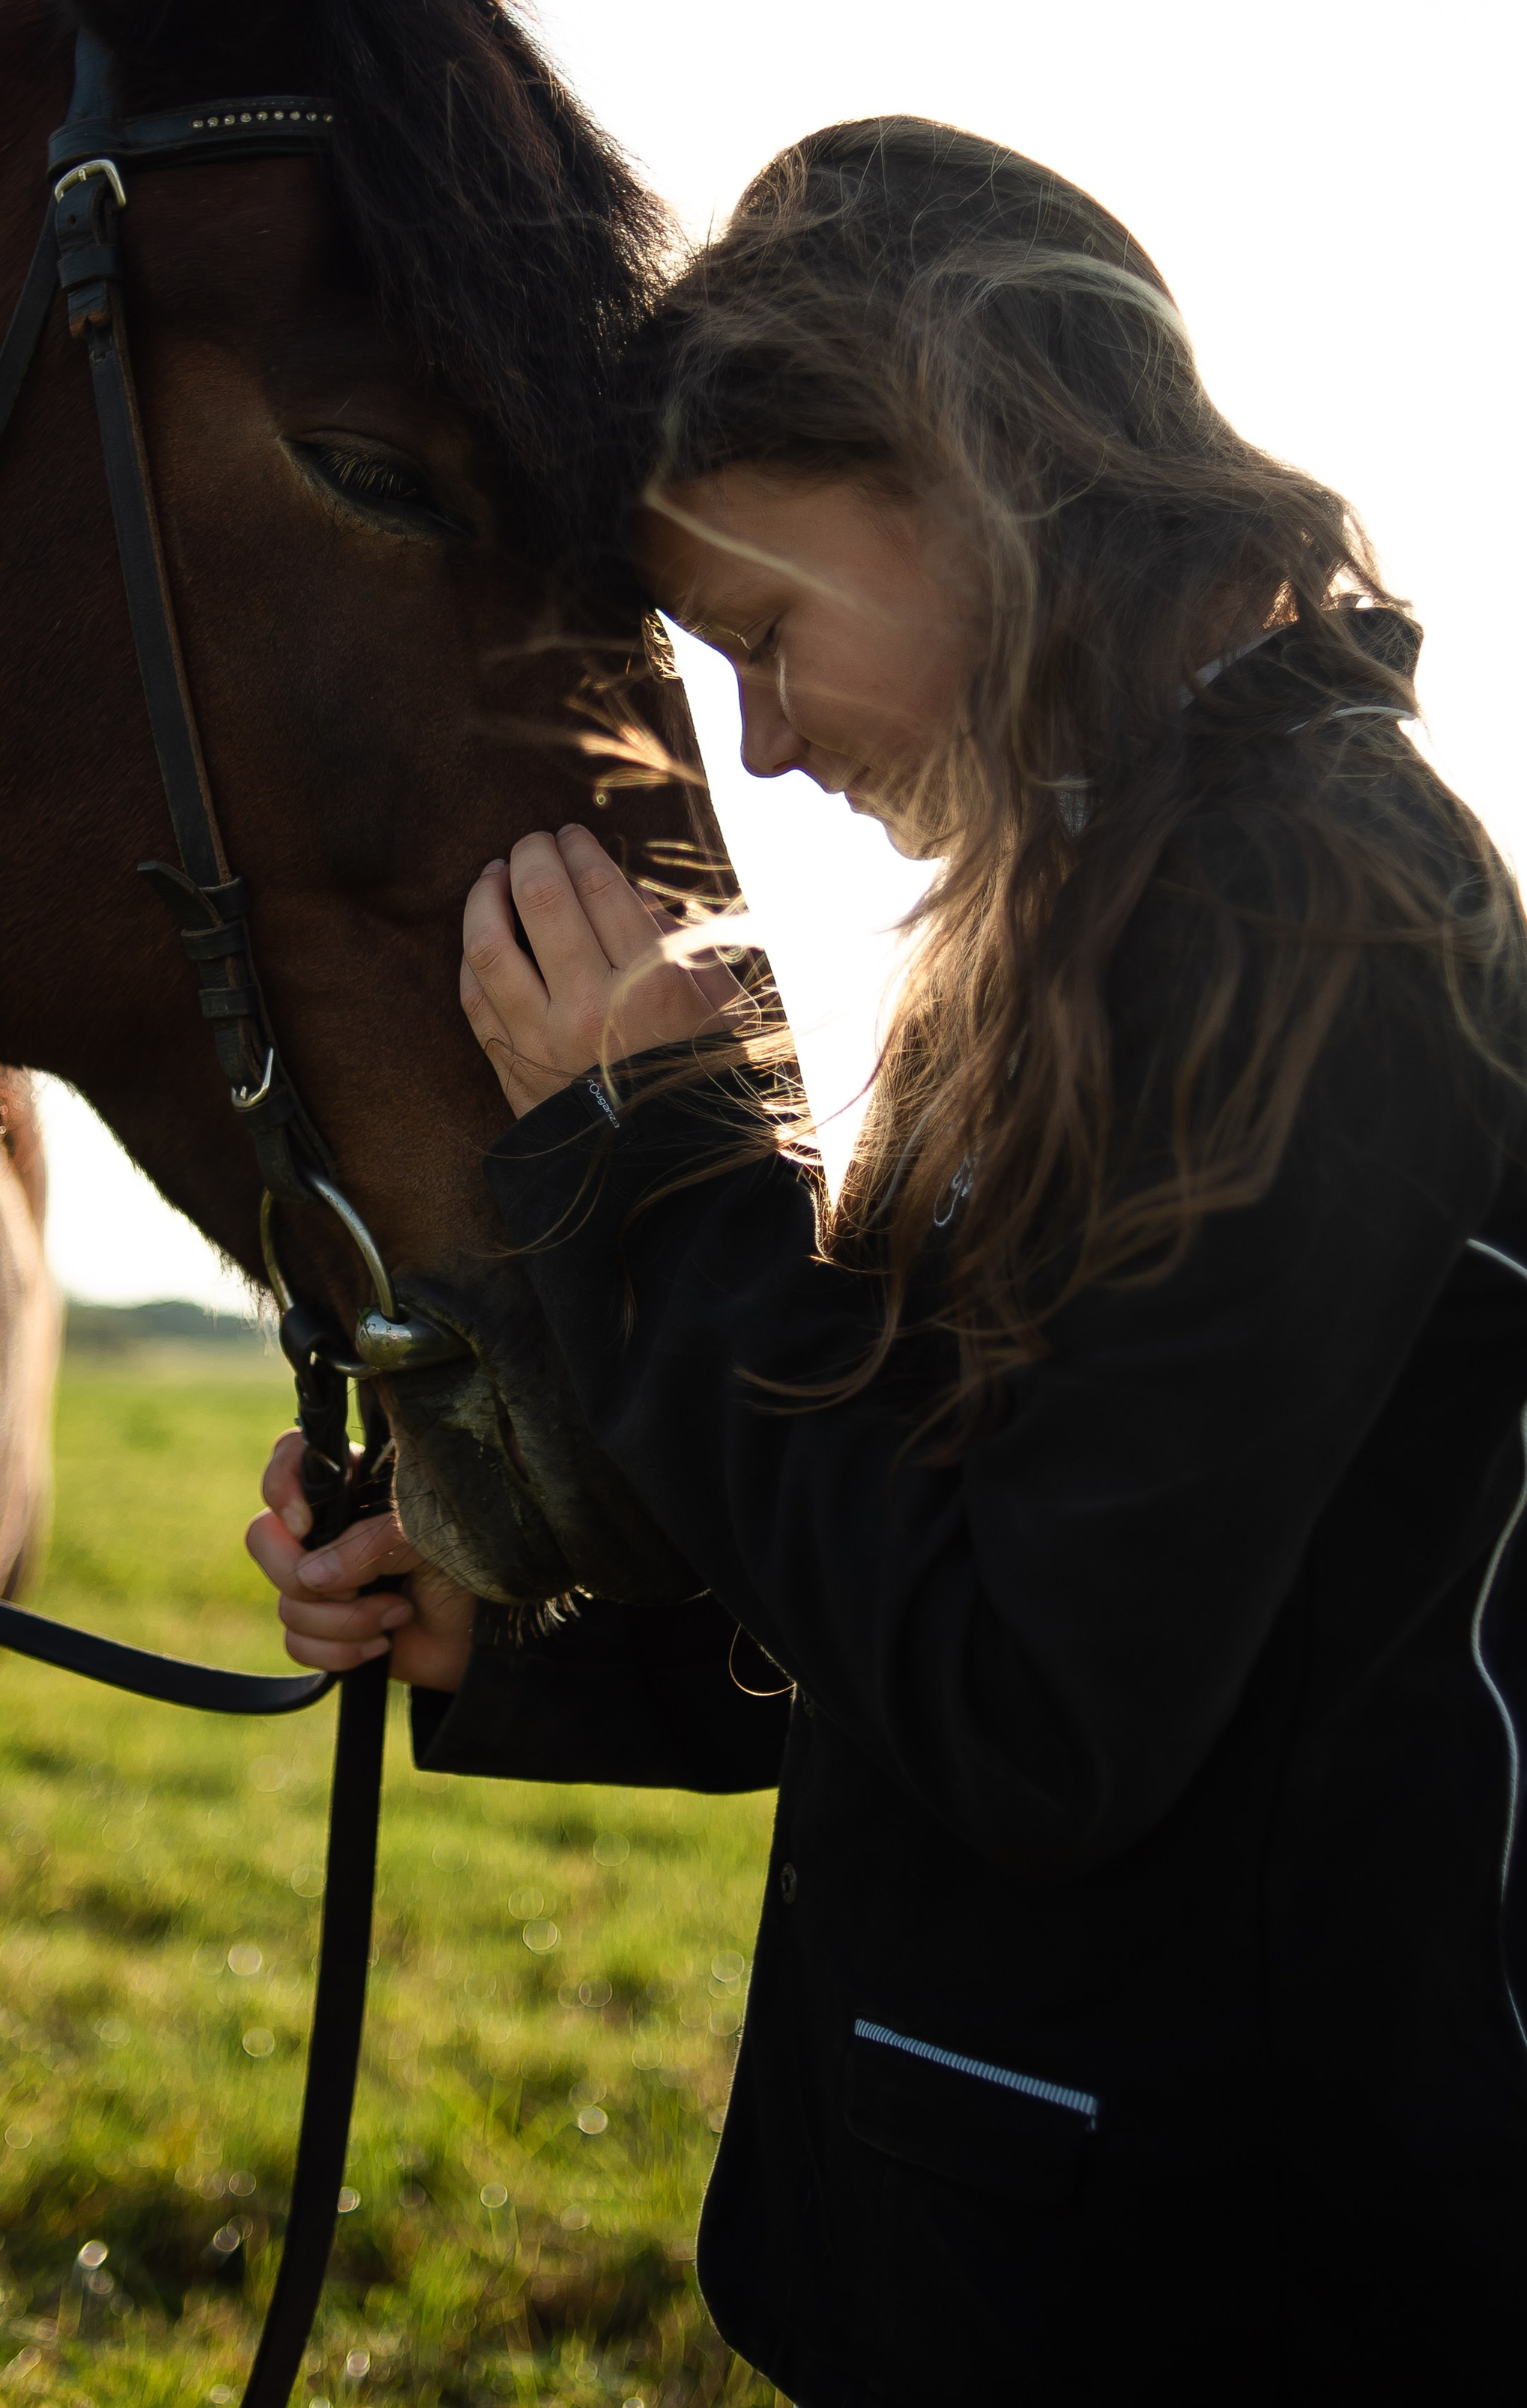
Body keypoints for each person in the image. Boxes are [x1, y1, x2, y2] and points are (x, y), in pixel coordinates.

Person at [248, 119, 1527, 2403]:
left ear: (976, 466)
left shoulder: (1315, 911)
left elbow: (1033, 1711)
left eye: (759, 628)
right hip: (985, 2279)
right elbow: (913, 1587)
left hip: (1224, 2306)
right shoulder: (1087, 912)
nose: (755, 739)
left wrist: (655, 1159)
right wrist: (502, 1643)